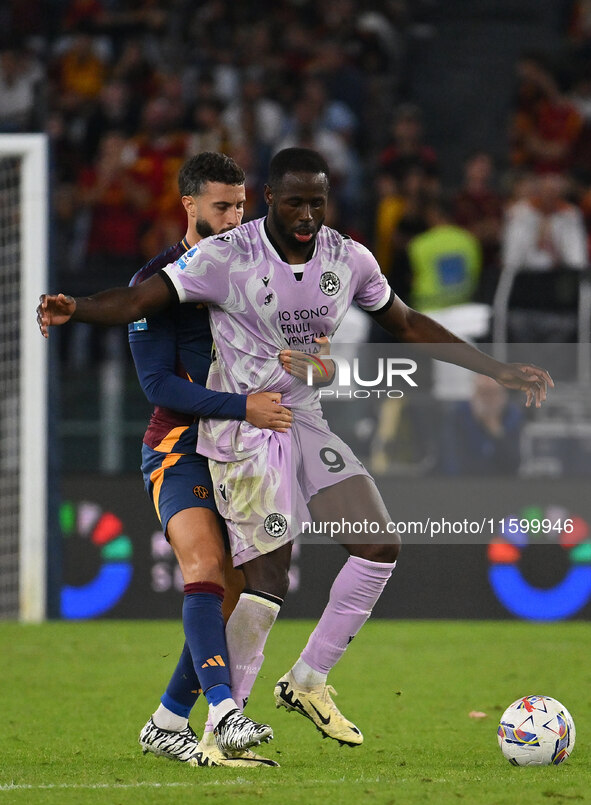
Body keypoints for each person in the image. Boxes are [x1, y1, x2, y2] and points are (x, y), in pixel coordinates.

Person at [38, 148, 553, 749]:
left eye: (317, 201)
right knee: (259, 580)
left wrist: (492, 368)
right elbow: (136, 303)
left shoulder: (349, 257)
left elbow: (406, 323)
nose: (308, 214)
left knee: (378, 543)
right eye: (294, 202)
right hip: (243, 430)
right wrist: (78, 308)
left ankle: (307, 678)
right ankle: (222, 723)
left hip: (302, 417)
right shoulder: (225, 256)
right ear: (270, 201)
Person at [129, 151, 297, 768]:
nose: (233, 218)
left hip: (243, 451)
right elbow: (158, 386)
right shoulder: (156, 282)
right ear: (190, 205)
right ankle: (226, 713)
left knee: (232, 587)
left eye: (240, 205)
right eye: (220, 206)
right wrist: (242, 406)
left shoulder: (262, 271)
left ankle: (168, 718)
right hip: (178, 446)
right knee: (203, 566)